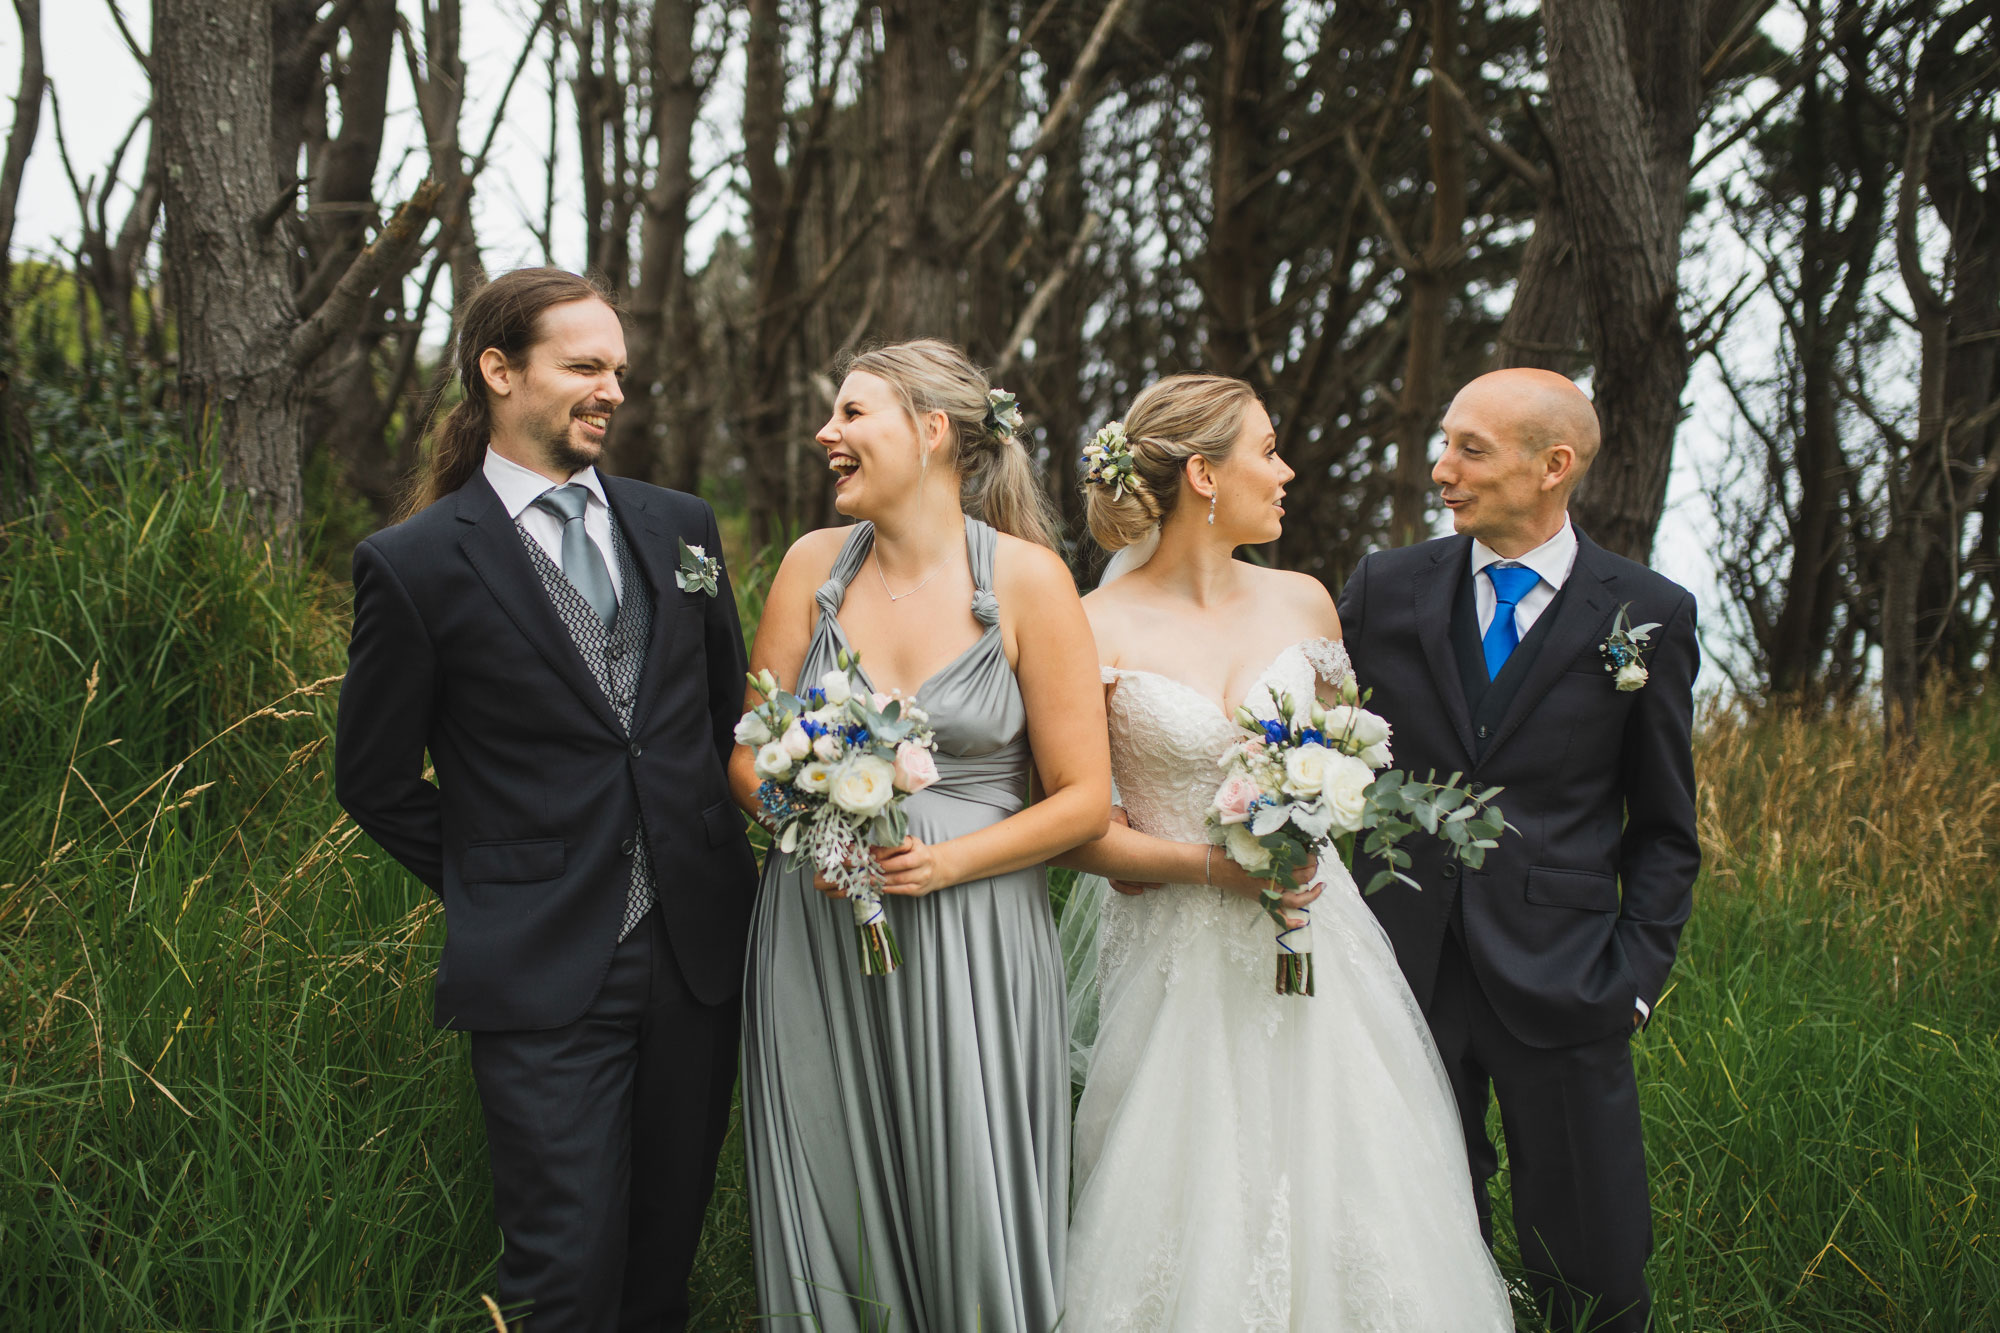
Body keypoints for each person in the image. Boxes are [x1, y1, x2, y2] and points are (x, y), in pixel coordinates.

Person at [334, 268, 755, 1332]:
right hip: (540, 967)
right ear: (499, 370)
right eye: (584, 366)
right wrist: (500, 881)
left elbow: (715, 720)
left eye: (617, 368)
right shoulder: (415, 563)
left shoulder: (680, 526)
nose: (612, 387)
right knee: (562, 1271)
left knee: (662, 1257)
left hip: (699, 954)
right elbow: (374, 781)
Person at [1058, 374, 1513, 1330]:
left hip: (1315, 935)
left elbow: (1353, 757)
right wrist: (1219, 868)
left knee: (1349, 1173)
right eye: (1267, 449)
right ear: (1203, 475)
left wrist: (1316, 812)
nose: (1287, 470)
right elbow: (1078, 827)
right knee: (1181, 1186)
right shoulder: (1091, 626)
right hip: (1173, 952)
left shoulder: (1306, 601)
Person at [732, 339, 1111, 1332]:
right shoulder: (812, 566)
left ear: (930, 430)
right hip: (813, 923)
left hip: (974, 933)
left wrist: (946, 860)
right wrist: (806, 815)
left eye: (852, 414)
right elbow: (743, 752)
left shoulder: (1027, 582)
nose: (829, 433)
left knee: (966, 1185)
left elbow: (1079, 798)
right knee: (831, 1177)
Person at [1338, 368, 1700, 1333]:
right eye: (1444, 441)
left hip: (1570, 977)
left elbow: (1666, 829)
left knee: (1595, 1259)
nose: (1440, 467)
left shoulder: (1650, 612)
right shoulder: (1385, 586)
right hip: (1401, 969)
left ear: (1554, 466)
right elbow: (1309, 736)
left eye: (1470, 449)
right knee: (1413, 1248)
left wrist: (1632, 978)